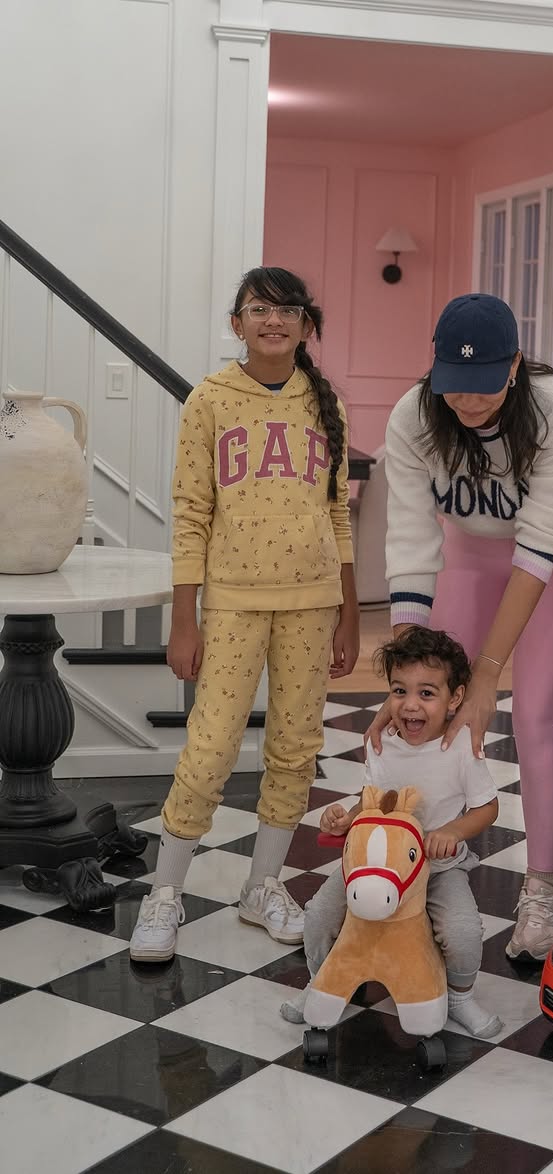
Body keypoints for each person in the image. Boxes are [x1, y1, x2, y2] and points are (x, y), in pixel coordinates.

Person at [129, 267, 359, 962]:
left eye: (287, 310)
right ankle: (165, 893)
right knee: (211, 748)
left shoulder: (326, 403)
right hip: (232, 601)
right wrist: (184, 617)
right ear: (238, 323)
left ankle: (263, 886)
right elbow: (191, 513)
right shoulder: (209, 399)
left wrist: (351, 610)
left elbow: (337, 512)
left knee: (295, 746)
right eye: (259, 309)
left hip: (313, 600)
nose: (273, 320)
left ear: (306, 324)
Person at [368, 293, 553, 962]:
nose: (467, 401)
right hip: (466, 555)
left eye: (484, 384)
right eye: (454, 385)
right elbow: (411, 539)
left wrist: (490, 673)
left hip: (544, 566)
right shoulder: (413, 415)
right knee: (436, 713)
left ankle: (543, 890)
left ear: (515, 365)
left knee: (536, 718)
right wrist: (404, 680)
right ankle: (427, 867)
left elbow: (541, 544)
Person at [282, 627, 502, 1038]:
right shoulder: (381, 742)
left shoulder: (461, 746)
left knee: (463, 931)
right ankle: (320, 980)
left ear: (455, 698)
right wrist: (348, 817)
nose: (410, 704)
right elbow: (374, 802)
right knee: (319, 914)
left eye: (427, 693)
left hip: (438, 867)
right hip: (377, 863)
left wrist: (452, 831)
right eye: (400, 691)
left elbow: (488, 807)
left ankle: (460, 995)